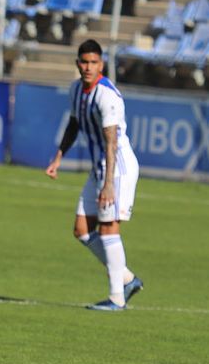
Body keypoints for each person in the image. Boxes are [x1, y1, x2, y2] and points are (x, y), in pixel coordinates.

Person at [45, 39, 143, 311]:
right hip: (100, 166)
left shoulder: (106, 95)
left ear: (101, 65)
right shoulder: (76, 89)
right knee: (82, 229)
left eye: (93, 63)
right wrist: (58, 157)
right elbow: (75, 123)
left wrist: (109, 184)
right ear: (78, 63)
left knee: (109, 226)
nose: (88, 67)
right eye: (84, 62)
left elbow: (111, 141)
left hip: (117, 168)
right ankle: (126, 278)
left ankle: (116, 298)